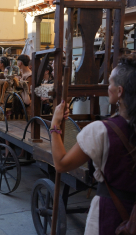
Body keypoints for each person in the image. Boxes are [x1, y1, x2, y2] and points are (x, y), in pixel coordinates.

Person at [50, 53, 136, 235]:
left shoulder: (101, 131)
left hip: (110, 215)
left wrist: (54, 125)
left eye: (110, 82)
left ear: (119, 91)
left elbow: (61, 164)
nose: (108, 87)